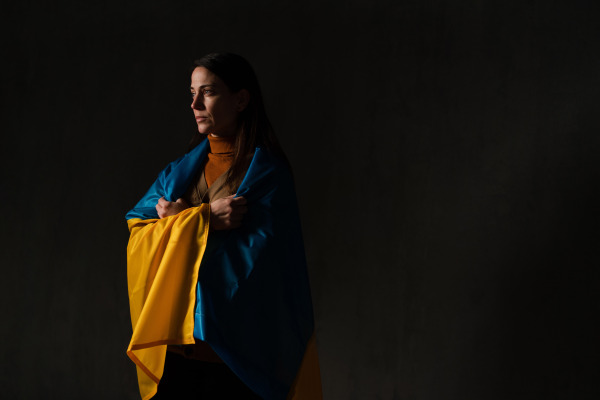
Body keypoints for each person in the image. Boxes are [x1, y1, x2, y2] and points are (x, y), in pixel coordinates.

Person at [125, 53, 322, 400]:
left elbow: (258, 268)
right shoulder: (177, 175)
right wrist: (204, 220)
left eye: (209, 92)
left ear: (241, 99)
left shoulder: (267, 177)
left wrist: (181, 222)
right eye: (192, 93)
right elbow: (137, 231)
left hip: (235, 362)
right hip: (176, 354)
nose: (195, 103)